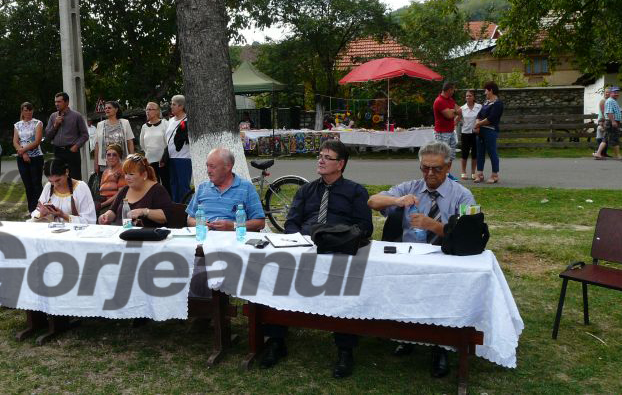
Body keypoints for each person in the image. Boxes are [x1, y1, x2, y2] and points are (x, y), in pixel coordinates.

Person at [261, 140, 373, 378]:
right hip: (304, 247)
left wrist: (336, 237)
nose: (321, 161)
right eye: (320, 156)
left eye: (327, 157)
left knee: (345, 285)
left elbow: (364, 227)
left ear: (340, 164)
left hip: (337, 250)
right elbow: (291, 223)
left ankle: (345, 350)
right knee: (274, 273)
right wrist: (298, 240)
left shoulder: (356, 191)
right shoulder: (306, 190)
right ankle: (276, 340)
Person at [366, 140, 476, 379]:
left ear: (449, 167)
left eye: (436, 169)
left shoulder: (462, 195)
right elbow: (372, 201)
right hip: (410, 259)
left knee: (444, 290)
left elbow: (469, 236)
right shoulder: (411, 187)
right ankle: (407, 336)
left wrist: (434, 226)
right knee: (400, 284)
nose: (430, 174)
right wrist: (397, 201)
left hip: (446, 259)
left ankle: (441, 347)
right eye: (425, 168)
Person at [185, 148, 265, 231]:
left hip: (234, 238)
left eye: (212, 166)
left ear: (228, 167)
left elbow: (260, 223)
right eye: (207, 166)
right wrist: (200, 224)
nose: (208, 171)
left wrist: (234, 226)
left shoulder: (246, 188)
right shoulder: (202, 188)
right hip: (205, 237)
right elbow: (190, 219)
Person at [98, 153, 173, 227]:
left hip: (147, 234)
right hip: (122, 232)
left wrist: (144, 212)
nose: (127, 177)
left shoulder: (157, 190)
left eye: (131, 174)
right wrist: (106, 216)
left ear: (144, 175)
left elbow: (166, 216)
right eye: (126, 173)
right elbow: (113, 211)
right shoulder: (125, 190)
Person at [30, 159, 96, 224]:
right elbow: (38, 210)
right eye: (51, 181)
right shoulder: (49, 186)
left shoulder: (81, 187)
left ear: (66, 172)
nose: (55, 185)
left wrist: (63, 215)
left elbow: (89, 220)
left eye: (58, 180)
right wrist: (42, 213)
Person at [45, 92, 89, 181]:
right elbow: (48, 136)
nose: (56, 104)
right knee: (59, 177)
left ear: (67, 102)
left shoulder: (77, 116)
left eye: (59, 102)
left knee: (75, 178)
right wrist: (55, 125)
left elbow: (85, 135)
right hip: (58, 151)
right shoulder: (53, 116)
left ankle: (75, 191)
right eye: (55, 102)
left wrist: (76, 146)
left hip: (71, 151)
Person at [14, 102, 44, 215]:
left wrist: (23, 150)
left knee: (36, 184)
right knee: (28, 184)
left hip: (36, 157)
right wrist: (23, 153)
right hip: (22, 157)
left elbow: (37, 141)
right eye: (25, 110)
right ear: (22, 111)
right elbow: (15, 141)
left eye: (30, 110)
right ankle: (31, 209)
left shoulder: (37, 123)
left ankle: (40, 209)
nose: (28, 112)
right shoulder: (17, 125)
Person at [473, 82, 504, 184]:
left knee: (492, 153)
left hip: (490, 131)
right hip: (481, 131)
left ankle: (495, 175)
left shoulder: (498, 104)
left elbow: (491, 118)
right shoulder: (486, 102)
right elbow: (479, 115)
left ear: (491, 90)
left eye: (486, 90)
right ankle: (480, 174)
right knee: (480, 152)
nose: (485, 92)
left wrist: (478, 124)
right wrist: (477, 124)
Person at [165, 95, 192, 202]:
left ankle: (186, 207)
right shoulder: (171, 120)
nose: (171, 106)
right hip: (171, 158)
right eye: (171, 104)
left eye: (173, 104)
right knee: (173, 184)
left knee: (183, 185)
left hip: (184, 158)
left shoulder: (188, 120)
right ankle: (176, 207)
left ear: (181, 106)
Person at [433, 81, 461, 178]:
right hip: (442, 132)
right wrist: (454, 111)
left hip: (450, 131)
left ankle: (447, 174)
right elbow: (449, 115)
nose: (454, 92)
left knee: (451, 155)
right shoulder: (439, 101)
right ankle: (440, 174)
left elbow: (459, 110)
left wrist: (453, 112)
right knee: (442, 155)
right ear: (449, 90)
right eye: (453, 90)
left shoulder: (450, 100)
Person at [139, 102, 169, 189]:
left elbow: (168, 141)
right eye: (147, 109)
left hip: (163, 160)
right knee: (153, 185)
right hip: (149, 160)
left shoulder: (165, 123)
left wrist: (164, 156)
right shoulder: (144, 127)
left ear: (157, 111)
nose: (148, 111)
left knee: (166, 183)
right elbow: (142, 143)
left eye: (150, 109)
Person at [458, 90, 481, 180]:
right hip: (465, 133)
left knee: (475, 153)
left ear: (474, 97)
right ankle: (463, 172)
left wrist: (479, 127)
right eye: (467, 96)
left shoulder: (479, 107)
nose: (468, 97)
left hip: (475, 133)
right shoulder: (462, 108)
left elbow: (481, 117)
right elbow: (457, 118)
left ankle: (473, 172)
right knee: (465, 153)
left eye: (470, 96)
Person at [98, 144, 127, 212]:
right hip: (102, 203)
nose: (111, 157)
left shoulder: (122, 170)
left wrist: (102, 205)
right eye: (108, 155)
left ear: (119, 156)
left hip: (114, 206)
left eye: (114, 155)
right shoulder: (105, 172)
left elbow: (121, 194)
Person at [597, 86, 622, 159]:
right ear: (611, 93)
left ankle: (598, 153)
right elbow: (609, 112)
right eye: (614, 92)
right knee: (615, 138)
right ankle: (618, 155)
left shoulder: (612, 101)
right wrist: (613, 121)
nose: (616, 94)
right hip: (611, 122)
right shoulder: (610, 101)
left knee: (605, 138)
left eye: (617, 92)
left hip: (610, 121)